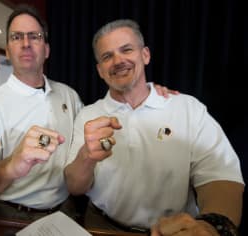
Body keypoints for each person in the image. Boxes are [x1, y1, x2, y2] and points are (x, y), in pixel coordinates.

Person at [0, 5, 176, 222]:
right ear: (7, 50)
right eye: (17, 37)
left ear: (46, 49)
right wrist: (11, 165)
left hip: (66, 212)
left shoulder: (68, 95)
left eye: (34, 37)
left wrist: (150, 94)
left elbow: (88, 138)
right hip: (12, 216)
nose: (26, 44)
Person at [64, 19, 244, 236]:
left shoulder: (188, 109)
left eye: (126, 49)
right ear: (100, 70)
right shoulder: (88, 115)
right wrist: (87, 156)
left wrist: (210, 227)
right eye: (107, 56)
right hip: (101, 227)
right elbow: (75, 187)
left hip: (173, 231)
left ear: (145, 55)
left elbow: (220, 174)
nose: (118, 61)